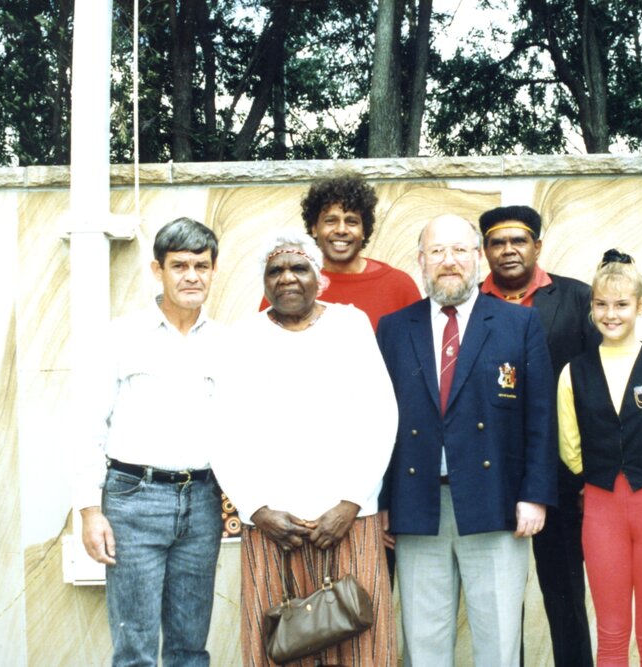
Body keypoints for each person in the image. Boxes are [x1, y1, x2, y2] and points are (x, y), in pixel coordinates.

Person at [376, 214, 557, 667]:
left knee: (498, 641)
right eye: (437, 252)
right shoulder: (394, 329)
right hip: (418, 507)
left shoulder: (519, 324)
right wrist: (380, 501)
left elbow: (540, 417)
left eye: (459, 250)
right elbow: (379, 422)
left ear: (478, 258)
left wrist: (534, 496)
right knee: (424, 642)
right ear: (421, 261)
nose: (449, 261)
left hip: (497, 505)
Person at [215, 231, 398, 667]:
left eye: (298, 268)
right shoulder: (241, 338)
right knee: (280, 648)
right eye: (275, 270)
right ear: (264, 283)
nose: (287, 278)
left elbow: (381, 416)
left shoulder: (351, 325)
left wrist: (351, 501)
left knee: (361, 646)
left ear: (320, 278)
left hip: (348, 521)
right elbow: (222, 432)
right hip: (276, 529)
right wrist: (256, 509)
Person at [75, 217, 225, 666]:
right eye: (179, 265)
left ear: (214, 271)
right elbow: (87, 425)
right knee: (135, 649)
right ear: (158, 271)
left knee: (189, 646)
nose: (192, 276)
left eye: (202, 265)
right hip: (133, 499)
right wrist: (89, 511)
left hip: (201, 502)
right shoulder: (119, 336)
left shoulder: (227, 343)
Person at [557, 249, 642, 667]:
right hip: (601, 508)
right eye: (601, 305)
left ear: (639, 305)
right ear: (591, 308)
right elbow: (570, 445)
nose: (611, 314)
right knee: (612, 633)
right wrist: (600, 476)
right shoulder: (573, 372)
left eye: (621, 305)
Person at [479, 205, 599, 667]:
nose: (508, 250)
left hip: (565, 479)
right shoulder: (470, 304)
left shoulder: (575, 299)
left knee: (566, 594)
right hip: (494, 478)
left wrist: (593, 476)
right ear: (485, 250)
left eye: (518, 241)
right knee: (501, 604)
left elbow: (598, 392)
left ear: (538, 247)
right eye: (497, 242)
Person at [258, 173, 421, 331]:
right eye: (331, 221)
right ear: (314, 228)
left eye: (352, 221)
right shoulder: (289, 286)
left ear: (364, 230)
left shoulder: (399, 286)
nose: (341, 230)